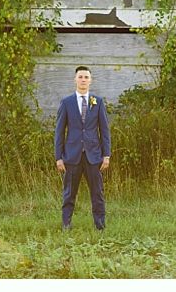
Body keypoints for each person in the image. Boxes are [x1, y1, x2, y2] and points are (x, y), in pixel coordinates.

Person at [54, 65, 112, 231]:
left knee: (97, 193)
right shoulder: (66, 102)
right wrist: (59, 157)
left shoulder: (98, 102)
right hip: (72, 156)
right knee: (69, 193)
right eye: (80, 77)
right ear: (75, 80)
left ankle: (100, 226)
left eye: (86, 77)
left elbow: (104, 130)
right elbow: (59, 132)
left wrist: (106, 155)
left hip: (94, 156)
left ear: (90, 80)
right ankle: (66, 224)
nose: (83, 80)